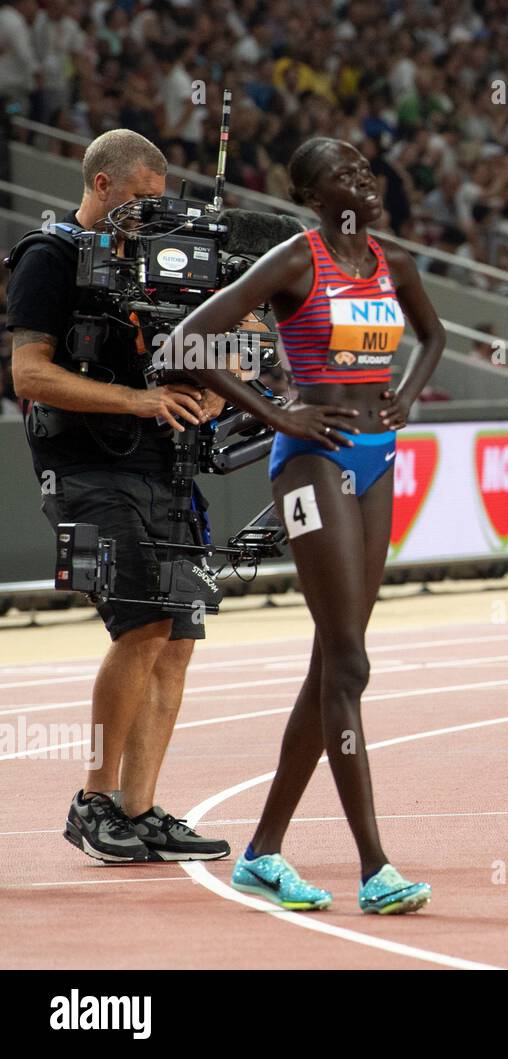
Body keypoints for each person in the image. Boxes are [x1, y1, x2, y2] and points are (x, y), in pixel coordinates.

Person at [164, 137, 446, 913]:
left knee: (335, 662)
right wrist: (277, 409)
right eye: (342, 175)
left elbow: (435, 337)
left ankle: (261, 852)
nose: (363, 179)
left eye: (365, 167)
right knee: (351, 662)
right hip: (310, 460)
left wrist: (409, 397)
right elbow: (190, 338)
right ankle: (376, 865)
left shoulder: (395, 265)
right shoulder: (297, 260)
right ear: (316, 198)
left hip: (378, 457)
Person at [6, 129, 230, 862]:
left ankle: (139, 810)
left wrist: (214, 393)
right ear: (102, 186)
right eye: (138, 200)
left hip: (167, 467)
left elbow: (204, 359)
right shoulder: (51, 255)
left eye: (157, 203)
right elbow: (29, 376)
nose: (150, 216)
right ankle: (93, 800)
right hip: (81, 471)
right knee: (137, 628)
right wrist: (137, 403)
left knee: (178, 638)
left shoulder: (164, 267)